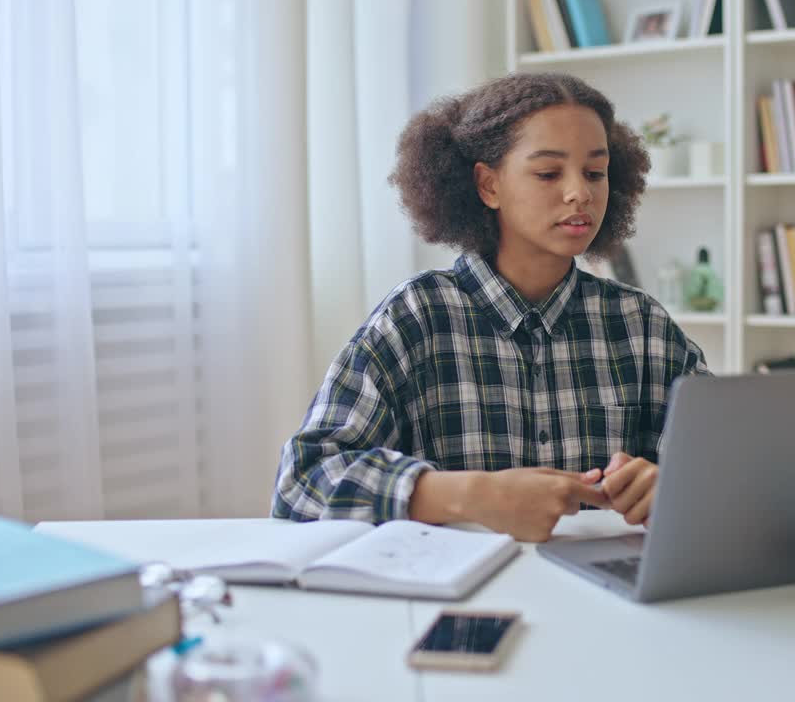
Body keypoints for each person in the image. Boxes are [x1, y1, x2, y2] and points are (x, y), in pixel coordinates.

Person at [272, 72, 709, 542]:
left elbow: (733, 474)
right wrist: (469, 495)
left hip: (612, 601)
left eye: (595, 172)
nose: (580, 192)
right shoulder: (417, 318)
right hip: (458, 603)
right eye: (548, 173)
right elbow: (302, 484)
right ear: (488, 186)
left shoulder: (642, 327)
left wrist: (673, 488)